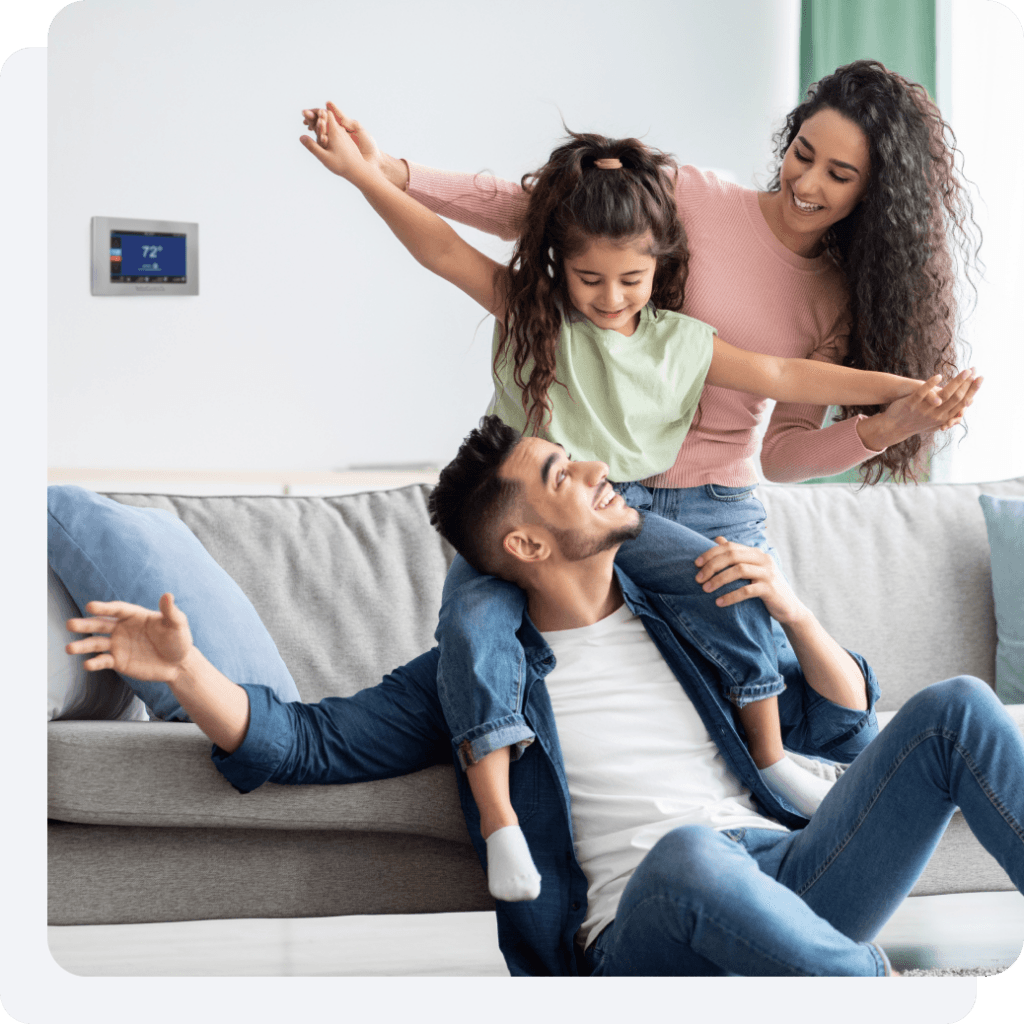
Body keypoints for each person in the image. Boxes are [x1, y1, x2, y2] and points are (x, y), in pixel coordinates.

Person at [65, 416, 1024, 977]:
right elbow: (302, 742)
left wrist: (797, 609)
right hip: (643, 920)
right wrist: (186, 672)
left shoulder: (685, 618)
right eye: (565, 474)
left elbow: (844, 725)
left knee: (958, 708)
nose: (603, 469)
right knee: (692, 855)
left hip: (793, 874)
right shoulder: (471, 678)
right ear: (524, 545)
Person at [297, 104, 972, 897]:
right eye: (590, 278)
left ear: (661, 269)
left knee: (731, 580)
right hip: (536, 519)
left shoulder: (682, 342)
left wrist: (905, 393)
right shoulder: (540, 313)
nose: (610, 297)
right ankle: (500, 821)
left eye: (630, 280)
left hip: (630, 515)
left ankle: (770, 759)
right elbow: (447, 245)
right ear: (560, 264)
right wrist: (371, 173)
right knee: (472, 632)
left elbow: (789, 381)